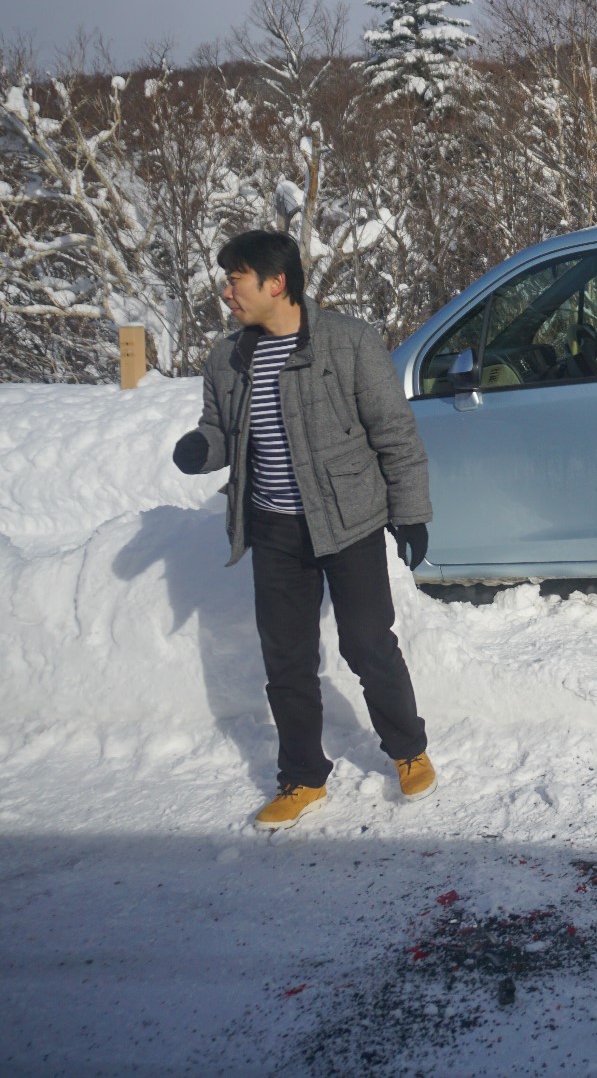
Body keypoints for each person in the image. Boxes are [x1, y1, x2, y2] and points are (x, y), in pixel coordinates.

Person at [172, 230, 436, 828]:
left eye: (235, 279)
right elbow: (220, 429)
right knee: (286, 658)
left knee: (368, 643)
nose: (226, 292)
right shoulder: (228, 358)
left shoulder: (348, 343)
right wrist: (202, 447)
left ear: (276, 282)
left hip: (349, 521)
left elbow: (394, 432)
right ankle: (301, 777)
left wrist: (412, 511)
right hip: (272, 528)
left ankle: (408, 749)